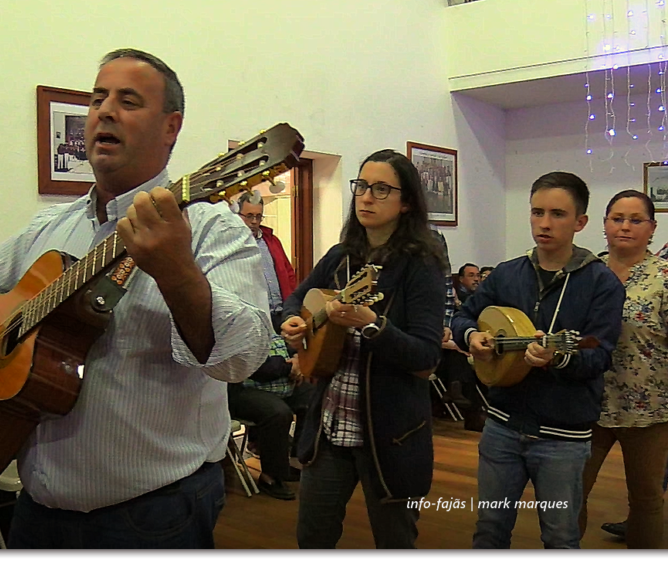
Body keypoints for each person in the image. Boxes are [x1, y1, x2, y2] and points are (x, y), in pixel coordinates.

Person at [0, 48, 273, 549]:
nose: (104, 110)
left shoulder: (214, 228)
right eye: (98, 98)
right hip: (36, 511)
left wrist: (177, 272)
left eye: (128, 100)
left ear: (171, 127)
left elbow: (243, 357)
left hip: (155, 515)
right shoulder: (48, 227)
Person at [280, 149, 446, 548]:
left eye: (381, 189)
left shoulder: (422, 266)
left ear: (406, 202)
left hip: (389, 435)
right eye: (362, 186)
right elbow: (296, 299)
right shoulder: (341, 258)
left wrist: (372, 325)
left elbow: (425, 355)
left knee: (394, 541)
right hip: (331, 426)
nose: (366, 197)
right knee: (312, 537)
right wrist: (291, 322)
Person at [451, 171, 625, 549]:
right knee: (490, 528)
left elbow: (598, 355)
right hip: (501, 423)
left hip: (563, 435)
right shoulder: (507, 273)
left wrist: (556, 359)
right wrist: (473, 336)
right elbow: (463, 315)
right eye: (537, 212)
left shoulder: (602, 283)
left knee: (560, 537)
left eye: (558, 214)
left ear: (580, 222)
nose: (544, 223)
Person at [579, 190, 668, 549]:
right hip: (587, 402)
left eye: (636, 219)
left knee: (646, 498)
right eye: (617, 218)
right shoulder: (585, 272)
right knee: (571, 493)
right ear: (604, 225)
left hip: (648, 408)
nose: (625, 227)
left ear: (652, 227)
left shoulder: (663, 276)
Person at [227, 334, 314, 500]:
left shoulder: (276, 316)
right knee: (278, 413)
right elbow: (250, 365)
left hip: (280, 381)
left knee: (313, 399)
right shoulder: (237, 319)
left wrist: (297, 359)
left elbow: (288, 344)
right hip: (242, 389)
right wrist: (288, 368)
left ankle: (296, 461)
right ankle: (271, 477)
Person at [235, 191, 298, 332]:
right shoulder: (232, 245)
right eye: (249, 216)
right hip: (255, 317)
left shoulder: (271, 240)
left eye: (258, 216)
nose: (254, 221)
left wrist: (293, 305)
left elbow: (289, 274)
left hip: (282, 313)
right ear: (238, 216)